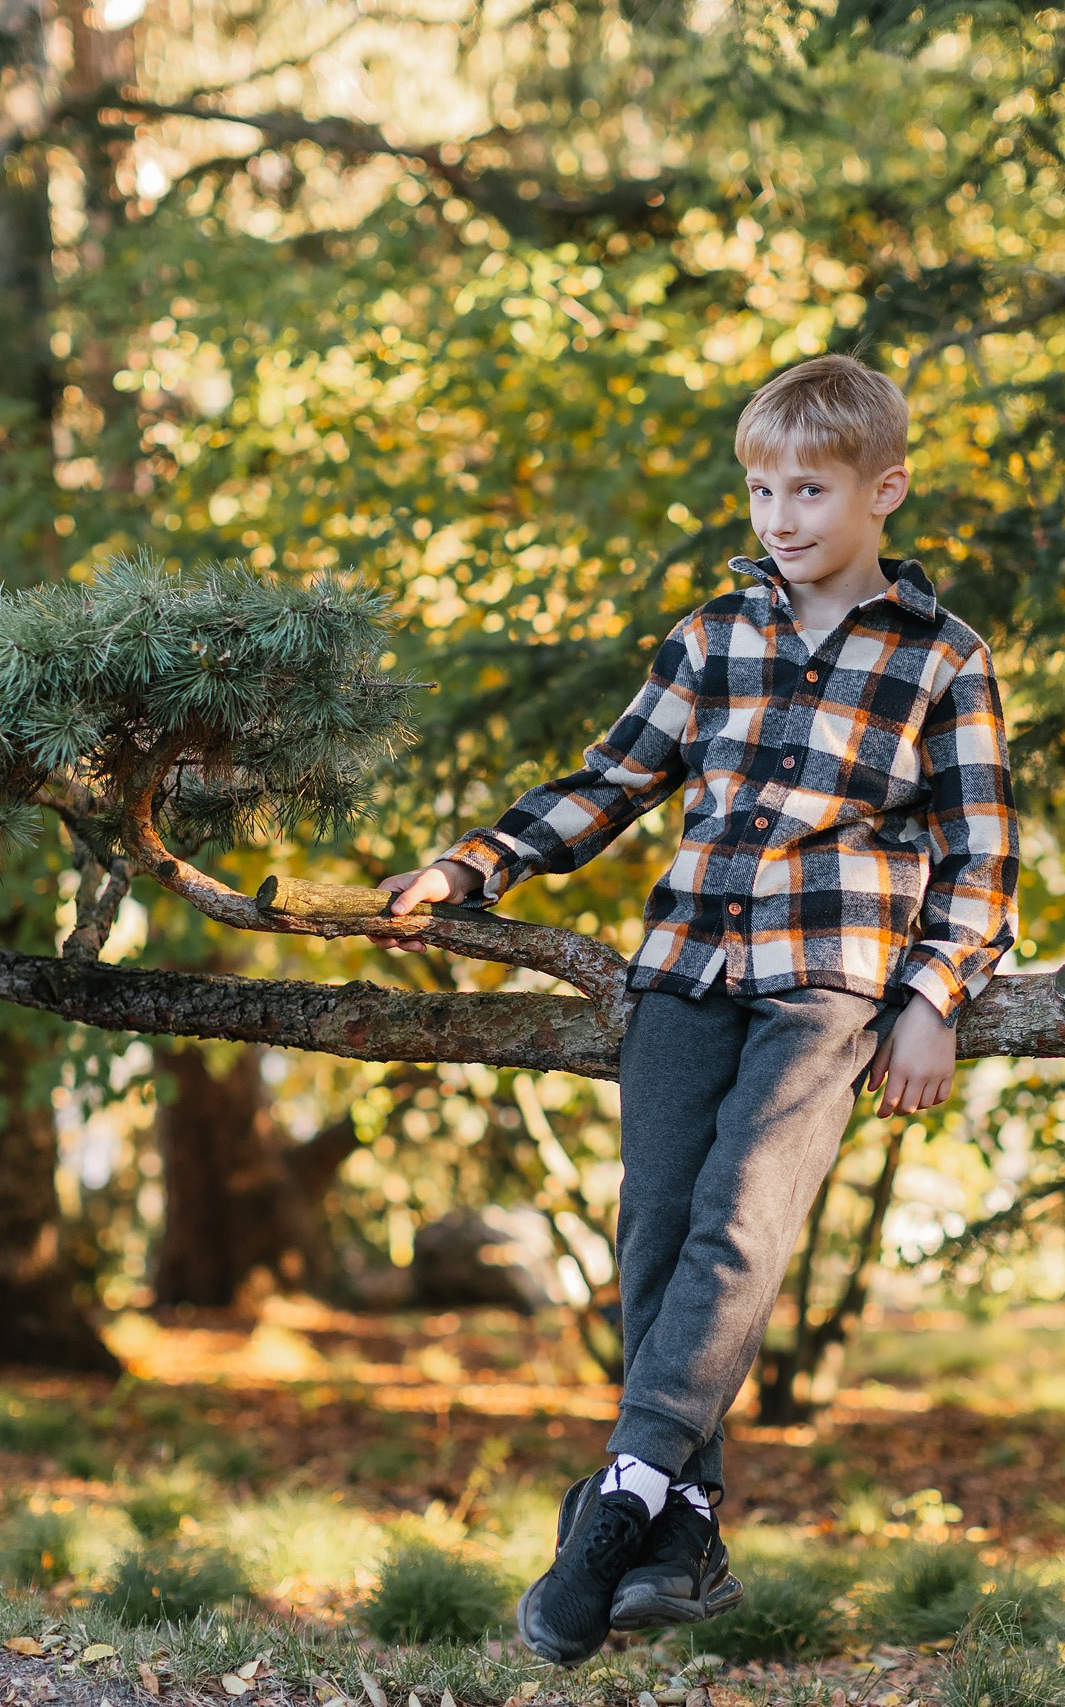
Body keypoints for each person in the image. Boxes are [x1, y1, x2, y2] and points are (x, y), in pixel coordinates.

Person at [381, 352, 1021, 1666]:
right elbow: (612, 780)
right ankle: (682, 1525)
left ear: (882, 489)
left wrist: (934, 995)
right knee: (658, 1235)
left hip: (828, 981)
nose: (779, 518)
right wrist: (474, 865)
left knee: (743, 1221)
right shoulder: (711, 636)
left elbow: (983, 855)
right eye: (760, 490)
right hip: (682, 968)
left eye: (808, 489)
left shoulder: (943, 657)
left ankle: (617, 1503)